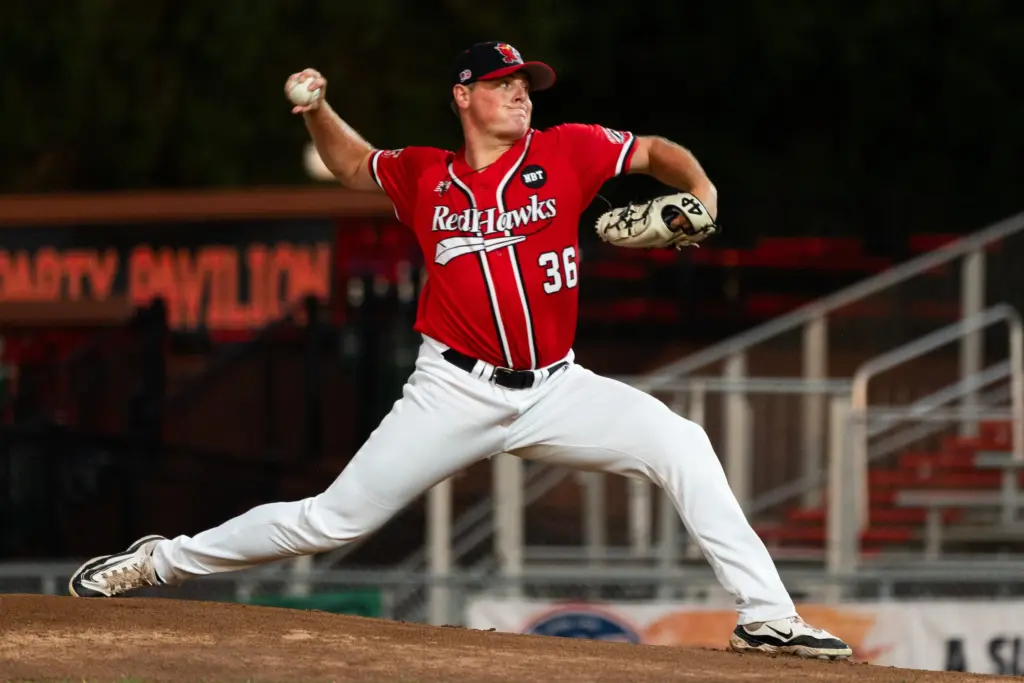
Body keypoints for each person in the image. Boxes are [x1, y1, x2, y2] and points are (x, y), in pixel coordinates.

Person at [69, 41, 852, 661]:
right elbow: (350, 164)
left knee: (681, 442)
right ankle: (159, 561)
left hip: (557, 387)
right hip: (453, 391)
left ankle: (768, 617)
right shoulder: (425, 175)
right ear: (463, 96)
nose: (521, 92)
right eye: (504, 81)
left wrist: (704, 194)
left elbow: (657, 152)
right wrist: (317, 109)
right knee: (330, 521)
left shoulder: (569, 150)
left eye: (526, 83)